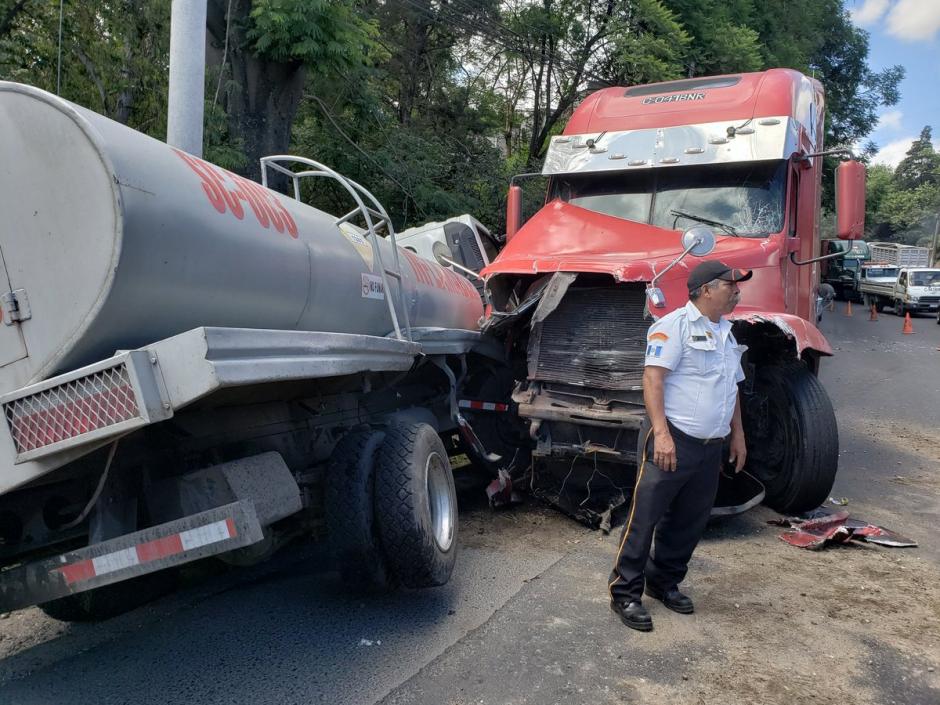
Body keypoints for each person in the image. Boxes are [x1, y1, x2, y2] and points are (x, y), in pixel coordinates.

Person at [607, 260, 751, 632]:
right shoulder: (674, 326)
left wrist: (738, 435)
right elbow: (653, 380)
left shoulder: (727, 334)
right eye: (729, 285)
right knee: (645, 517)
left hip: (710, 446)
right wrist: (663, 434)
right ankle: (625, 593)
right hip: (674, 439)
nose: (736, 291)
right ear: (705, 289)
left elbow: (732, 388)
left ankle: (663, 581)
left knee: (690, 520)